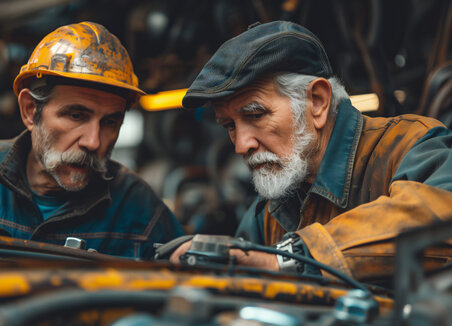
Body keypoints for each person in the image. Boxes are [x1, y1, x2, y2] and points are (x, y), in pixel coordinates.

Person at [171, 21, 452, 283]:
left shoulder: (410, 144)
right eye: (229, 125)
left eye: (255, 114)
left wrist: (292, 257)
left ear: (317, 102)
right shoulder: (269, 212)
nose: (241, 145)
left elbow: (441, 221)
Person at [0, 21, 185, 259]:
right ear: (30, 111)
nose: (93, 141)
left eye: (110, 122)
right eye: (77, 115)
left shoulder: (140, 210)